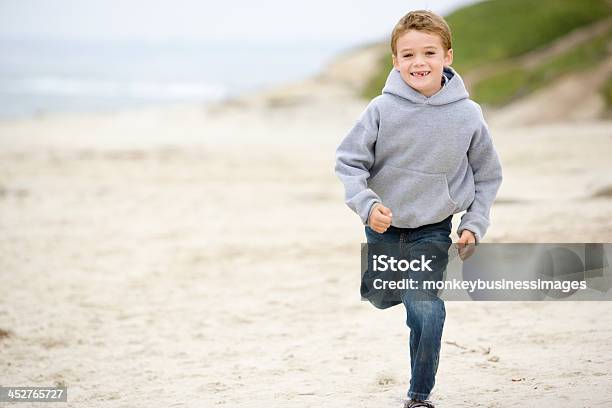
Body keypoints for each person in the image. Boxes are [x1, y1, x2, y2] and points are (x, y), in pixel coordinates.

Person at [334, 9, 503, 408]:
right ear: (396, 62)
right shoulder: (381, 109)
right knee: (382, 296)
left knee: (424, 308)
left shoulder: (468, 115)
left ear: (448, 56)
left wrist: (474, 223)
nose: (419, 62)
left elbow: (488, 176)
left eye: (429, 52)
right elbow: (348, 161)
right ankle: (387, 289)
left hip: (433, 228)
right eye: (408, 55)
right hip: (384, 226)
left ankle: (419, 395)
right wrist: (366, 204)